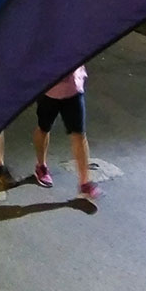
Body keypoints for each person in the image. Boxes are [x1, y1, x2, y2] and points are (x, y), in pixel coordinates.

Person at [32, 65, 99, 200]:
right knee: (44, 128)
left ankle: (85, 182)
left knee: (79, 134)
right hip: (49, 92)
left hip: (74, 90)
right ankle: (41, 166)